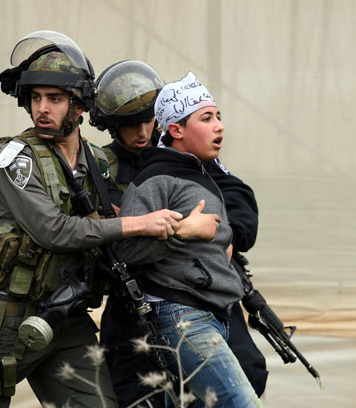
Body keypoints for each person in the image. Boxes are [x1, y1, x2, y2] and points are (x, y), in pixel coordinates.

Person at [0, 31, 199, 408]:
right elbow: (55, 232)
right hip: (6, 318)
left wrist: (187, 227)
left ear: (79, 107)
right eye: (36, 98)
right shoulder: (15, 160)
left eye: (55, 98)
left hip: (66, 318)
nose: (42, 109)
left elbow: (117, 220)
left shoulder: (97, 162)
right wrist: (139, 223)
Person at [90, 61, 267, 407]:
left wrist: (225, 236)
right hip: (144, 300)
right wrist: (182, 230)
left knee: (248, 373)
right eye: (130, 124)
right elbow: (115, 236)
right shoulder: (105, 168)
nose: (142, 131)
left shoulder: (194, 161)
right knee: (142, 393)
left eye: (147, 120)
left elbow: (239, 203)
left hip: (206, 293)